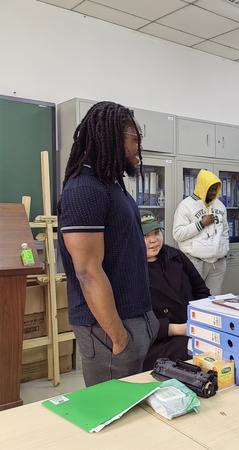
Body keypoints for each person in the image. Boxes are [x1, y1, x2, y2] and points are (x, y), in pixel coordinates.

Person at [58, 101, 159, 387]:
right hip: (109, 330)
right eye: (135, 139)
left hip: (134, 320)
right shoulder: (84, 190)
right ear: (113, 137)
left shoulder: (110, 185)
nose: (139, 149)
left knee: (135, 406)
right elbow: (88, 272)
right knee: (114, 409)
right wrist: (119, 337)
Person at [140, 211, 211, 371]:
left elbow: (201, 290)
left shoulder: (175, 256)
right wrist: (178, 329)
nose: (153, 240)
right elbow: (134, 324)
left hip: (192, 330)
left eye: (156, 233)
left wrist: (203, 319)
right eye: (145, 235)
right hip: (158, 343)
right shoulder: (130, 269)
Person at [173, 169, 229, 295]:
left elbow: (225, 231)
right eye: (210, 189)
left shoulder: (220, 205)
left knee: (214, 301)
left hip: (218, 263)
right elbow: (178, 234)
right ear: (202, 187)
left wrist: (224, 249)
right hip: (196, 262)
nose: (213, 192)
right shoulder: (186, 206)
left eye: (215, 189)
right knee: (194, 299)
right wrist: (200, 224)